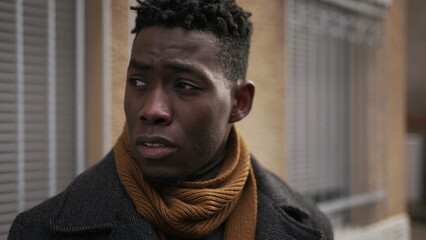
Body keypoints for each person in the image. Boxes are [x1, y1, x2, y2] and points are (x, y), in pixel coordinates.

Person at [8, 0, 333, 239]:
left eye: (185, 86)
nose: (152, 109)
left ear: (239, 102)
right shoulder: (39, 231)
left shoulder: (311, 227)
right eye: (138, 82)